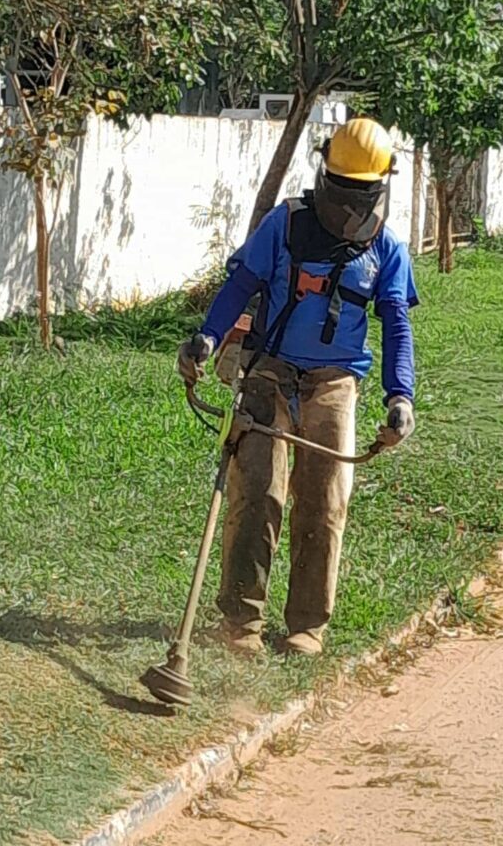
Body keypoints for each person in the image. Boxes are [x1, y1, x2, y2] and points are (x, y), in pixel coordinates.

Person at [177, 118, 418, 656]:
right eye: (343, 189)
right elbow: (241, 283)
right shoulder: (284, 224)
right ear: (324, 174)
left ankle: (307, 626)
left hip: (335, 383)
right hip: (269, 372)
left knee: (323, 502)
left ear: (380, 187)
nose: (350, 202)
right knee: (256, 492)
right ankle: (241, 622)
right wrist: (207, 339)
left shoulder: (388, 250)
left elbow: (396, 323)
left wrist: (400, 396)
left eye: (362, 192)